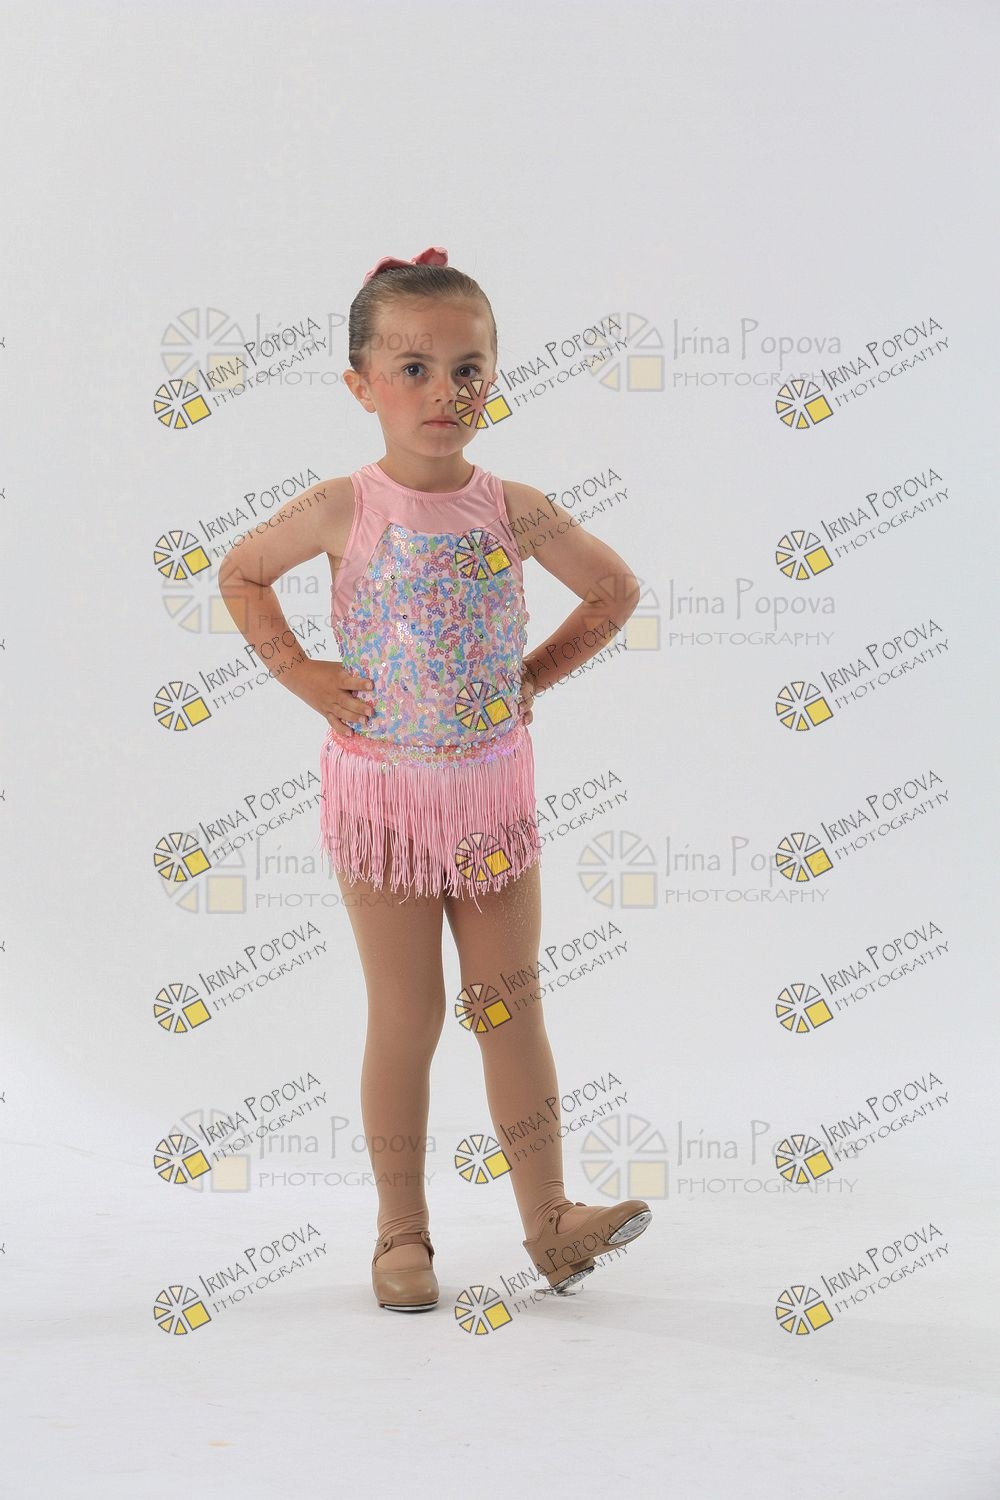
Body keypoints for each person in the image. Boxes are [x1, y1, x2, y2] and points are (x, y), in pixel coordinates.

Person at [218, 245, 652, 1313]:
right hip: (384, 803)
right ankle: (399, 1234)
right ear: (360, 385)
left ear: (494, 379)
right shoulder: (342, 507)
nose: (443, 392)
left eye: (468, 369)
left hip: (490, 796)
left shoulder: (514, 507)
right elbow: (240, 572)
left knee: (509, 1007)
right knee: (407, 1016)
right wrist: (301, 674)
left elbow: (613, 590)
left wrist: (531, 676)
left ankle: (551, 1224)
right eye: (412, 369)